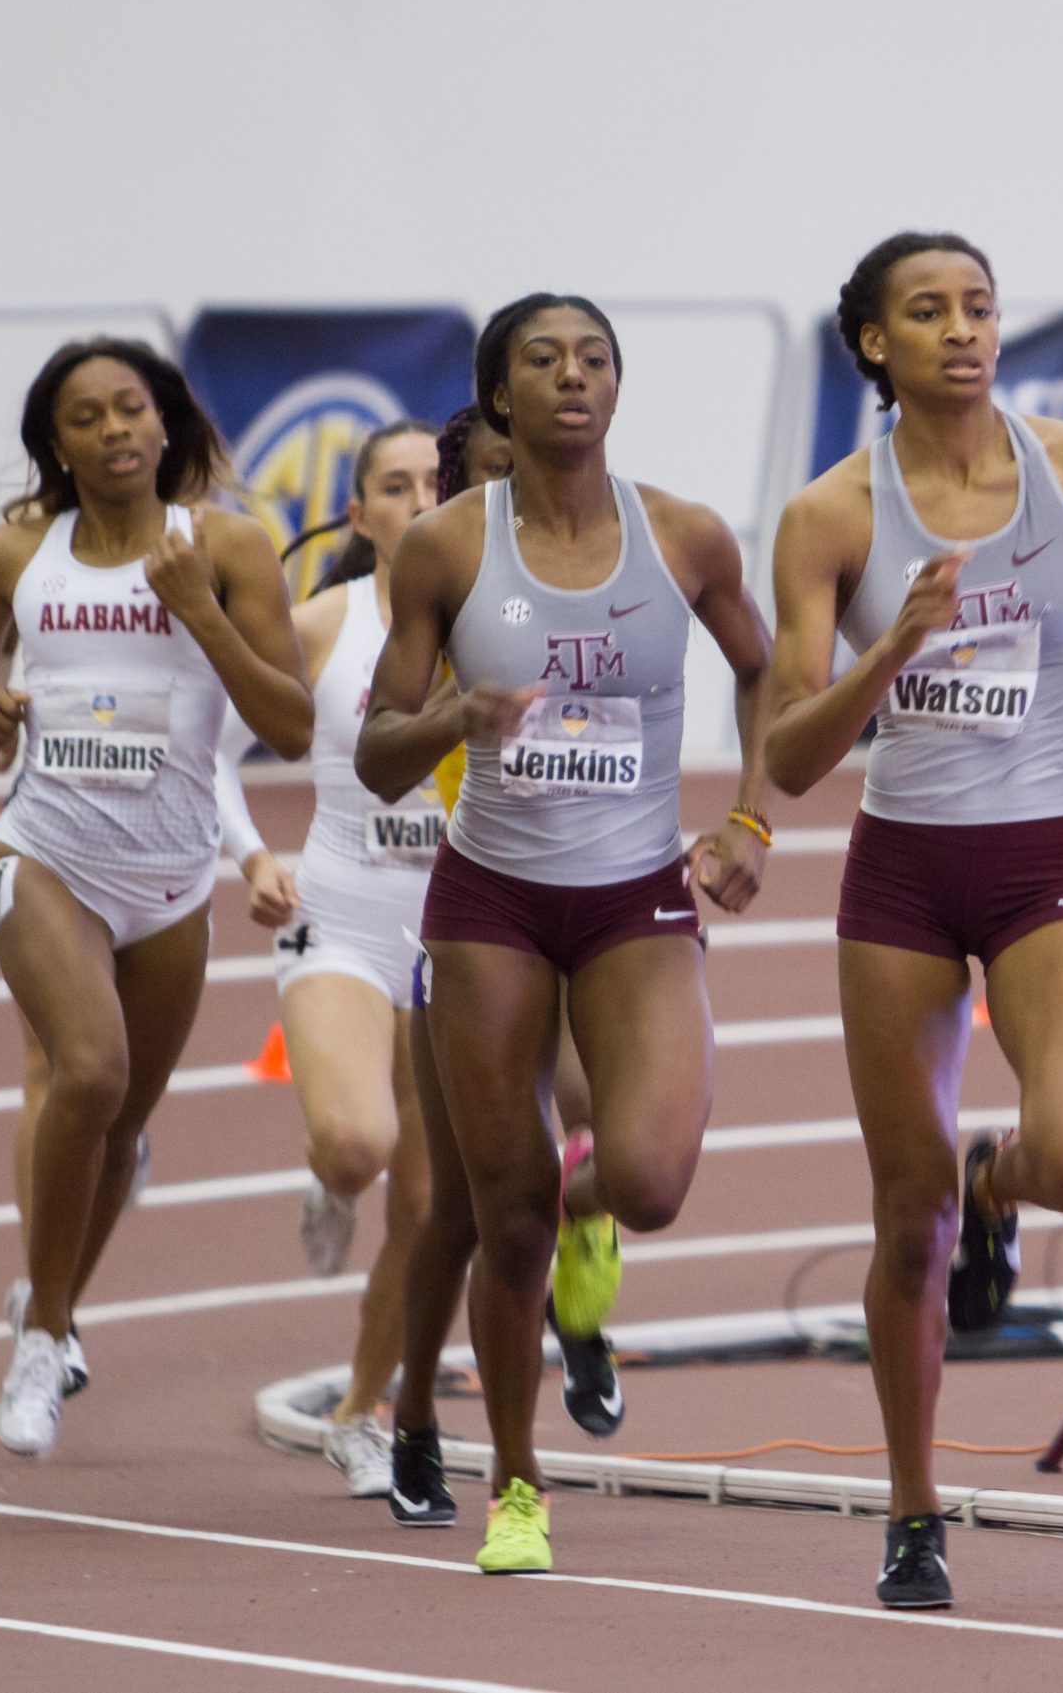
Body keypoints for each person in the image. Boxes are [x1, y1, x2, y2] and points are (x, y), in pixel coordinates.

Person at [765, 231, 1063, 1609]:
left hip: (1046, 858)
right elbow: (785, 755)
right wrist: (889, 652)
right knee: (906, 1224)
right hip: (901, 873)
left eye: (980, 306)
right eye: (929, 312)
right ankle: (913, 1508)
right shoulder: (832, 515)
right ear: (876, 343)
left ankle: (993, 1180)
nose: (964, 329)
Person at [356, 295, 774, 1574]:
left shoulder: (687, 537)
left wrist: (749, 814)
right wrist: (455, 722)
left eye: (594, 357)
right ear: (497, 398)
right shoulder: (442, 548)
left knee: (645, 1184)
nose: (573, 378)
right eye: (542, 361)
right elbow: (377, 756)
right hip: (489, 903)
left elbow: (765, 671)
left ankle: (462, 1367)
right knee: (507, 1212)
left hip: (636, 894)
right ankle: (514, 1483)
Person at [0, 338, 313, 1459]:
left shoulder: (230, 546)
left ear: (167, 423)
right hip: (42, 849)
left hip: (170, 878)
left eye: (131, 409)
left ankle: (48, 1299)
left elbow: (291, 729)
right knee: (87, 1072)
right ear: (55, 444)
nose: (113, 431)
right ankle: (44, 1334)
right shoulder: (20, 552)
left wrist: (201, 611)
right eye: (86, 417)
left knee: (122, 1129)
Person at [210, 418, 441, 1498]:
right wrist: (252, 852)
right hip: (342, 913)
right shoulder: (322, 624)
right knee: (358, 1146)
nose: (420, 499)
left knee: (433, 1208)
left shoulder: (507, 620)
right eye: (395, 486)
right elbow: (209, 741)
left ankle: (361, 1411)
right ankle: (325, 1175)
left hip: (462, 931)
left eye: (438, 480)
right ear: (361, 515)